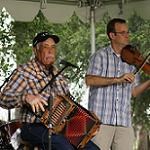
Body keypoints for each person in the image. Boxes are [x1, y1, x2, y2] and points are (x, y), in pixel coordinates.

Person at [0, 31, 100, 150]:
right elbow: (3, 98)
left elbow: (71, 108)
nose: (50, 51)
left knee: (93, 149)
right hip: (33, 126)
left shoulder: (60, 76)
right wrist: (25, 97)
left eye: (53, 47)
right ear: (35, 50)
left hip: (61, 129)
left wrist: (88, 124)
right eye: (45, 47)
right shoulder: (24, 72)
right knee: (65, 147)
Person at [85, 18, 150, 150]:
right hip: (101, 122)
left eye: (128, 32)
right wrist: (117, 79)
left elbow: (134, 92)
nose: (127, 35)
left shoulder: (131, 60)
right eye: (123, 32)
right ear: (112, 35)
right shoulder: (100, 56)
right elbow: (90, 80)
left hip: (124, 121)